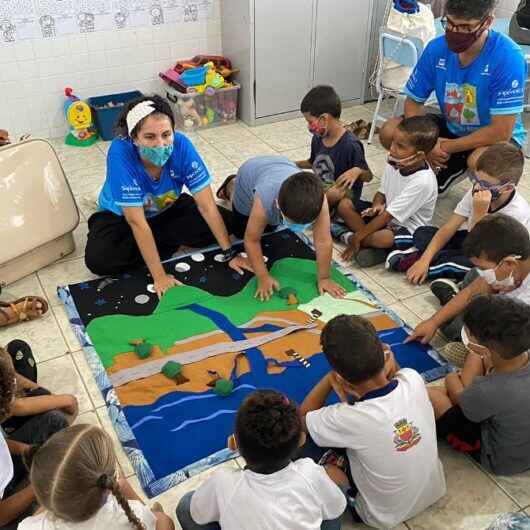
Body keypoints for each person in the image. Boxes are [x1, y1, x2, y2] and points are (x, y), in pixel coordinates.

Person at [84, 95, 244, 299]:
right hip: (122, 216)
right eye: (150, 137)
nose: (161, 144)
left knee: (228, 224)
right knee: (99, 260)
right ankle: (166, 241)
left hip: (168, 206)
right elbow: (136, 222)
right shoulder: (120, 153)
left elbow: (207, 207)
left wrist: (230, 254)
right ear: (134, 138)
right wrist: (159, 276)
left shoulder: (182, 145)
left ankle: (229, 186)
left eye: (166, 134)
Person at [300, 315, 446, 530]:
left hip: (379, 516)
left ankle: (347, 494)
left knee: (301, 442)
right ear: (383, 353)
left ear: (341, 377)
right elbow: (396, 374)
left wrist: (329, 379)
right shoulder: (413, 378)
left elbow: (304, 417)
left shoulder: (345, 417)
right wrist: (388, 358)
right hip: (434, 490)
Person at [379, 0, 527, 194]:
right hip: (452, 127)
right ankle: (436, 170)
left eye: (466, 27)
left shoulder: (508, 57)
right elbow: (413, 102)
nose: (455, 32)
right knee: (390, 131)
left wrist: (446, 146)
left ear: (487, 22)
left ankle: (472, 173)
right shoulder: (436, 49)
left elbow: (501, 131)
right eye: (449, 23)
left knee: (482, 162)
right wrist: (426, 144)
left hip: (494, 138)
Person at [176, 389, 346, 530]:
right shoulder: (309, 472)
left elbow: (198, 513)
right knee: (332, 502)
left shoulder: (223, 481)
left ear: (233, 443)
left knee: (185, 505)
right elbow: (336, 507)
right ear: (301, 440)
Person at [387, 142, 530, 298]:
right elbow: (450, 226)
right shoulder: (478, 190)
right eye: (476, 179)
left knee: (471, 267)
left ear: (507, 188)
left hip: (491, 256)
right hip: (470, 239)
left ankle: (417, 262)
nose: (477, 187)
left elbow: (482, 252)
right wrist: (425, 260)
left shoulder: (517, 213)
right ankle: (423, 257)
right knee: (425, 233)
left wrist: (479, 213)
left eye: (485, 184)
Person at [216, 157, 346, 301]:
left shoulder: (319, 200)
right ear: (278, 204)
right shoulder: (265, 198)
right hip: (249, 173)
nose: (299, 228)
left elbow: (323, 240)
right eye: (291, 221)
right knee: (241, 231)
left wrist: (325, 278)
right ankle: (231, 186)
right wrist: (263, 276)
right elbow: (251, 240)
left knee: (271, 227)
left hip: (281, 168)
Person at [428, 295, 530, 476]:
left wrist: (451, 378)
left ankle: (462, 387)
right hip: (519, 435)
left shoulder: (488, 389)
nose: (465, 333)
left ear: (486, 348)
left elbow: (459, 399)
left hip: (498, 458)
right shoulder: (516, 353)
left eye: (468, 332)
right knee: (475, 361)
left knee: (434, 396)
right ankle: (468, 386)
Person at [18, 424, 174, 530]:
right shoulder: (133, 515)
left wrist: (56, 491)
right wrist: (123, 486)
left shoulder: (28, 527)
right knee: (163, 520)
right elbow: (148, 521)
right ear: (107, 488)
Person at [407, 213, 530, 346]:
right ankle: (461, 301)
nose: (483, 273)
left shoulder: (524, 301)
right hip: (504, 287)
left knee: (459, 333)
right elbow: (473, 289)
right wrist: (433, 322)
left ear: (510, 263)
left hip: (518, 326)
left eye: (483, 268)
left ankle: (459, 302)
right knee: (474, 277)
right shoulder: (510, 264)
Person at [333, 116, 439, 267]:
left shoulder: (422, 182)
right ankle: (369, 245)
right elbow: (382, 192)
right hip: (386, 215)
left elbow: (388, 216)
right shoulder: (395, 161)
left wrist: (357, 238)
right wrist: (376, 204)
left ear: (420, 155)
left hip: (408, 228)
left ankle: (356, 239)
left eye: (400, 146)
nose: (392, 149)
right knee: (344, 205)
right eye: (393, 142)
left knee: (381, 238)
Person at [0, 347, 70, 530]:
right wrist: (39, 485)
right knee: (58, 506)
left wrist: (25, 449)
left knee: (56, 420)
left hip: (7, 476)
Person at [296, 85, 373, 209]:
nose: (309, 126)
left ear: (324, 119)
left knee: (324, 199)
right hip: (323, 190)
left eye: (310, 121)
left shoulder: (350, 144)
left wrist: (357, 170)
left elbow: (368, 176)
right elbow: (312, 162)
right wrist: (292, 164)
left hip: (344, 197)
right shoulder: (318, 137)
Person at [1, 340, 78, 437]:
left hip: (7, 404)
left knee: (17, 347)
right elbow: (17, 406)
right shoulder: (10, 404)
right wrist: (65, 400)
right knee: (56, 419)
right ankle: (11, 430)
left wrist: (42, 392)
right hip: (6, 437)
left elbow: (11, 376)